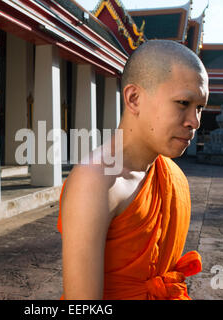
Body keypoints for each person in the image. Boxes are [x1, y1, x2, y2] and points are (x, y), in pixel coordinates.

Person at [57, 40, 208, 300]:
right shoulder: (96, 181)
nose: (194, 121)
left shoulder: (173, 177)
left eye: (200, 108)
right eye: (183, 103)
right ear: (134, 98)